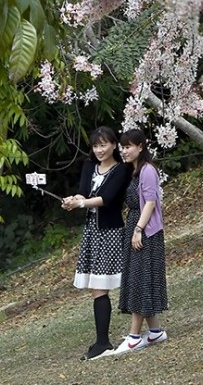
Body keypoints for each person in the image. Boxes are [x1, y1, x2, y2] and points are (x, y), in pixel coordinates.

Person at [62, 125, 132, 360]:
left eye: (104, 144)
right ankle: (102, 341)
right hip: (92, 231)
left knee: (105, 284)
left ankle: (110, 340)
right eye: (96, 145)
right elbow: (83, 192)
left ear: (114, 145)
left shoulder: (122, 170)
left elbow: (107, 199)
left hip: (111, 232)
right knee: (96, 287)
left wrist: (81, 204)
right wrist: (74, 200)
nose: (100, 149)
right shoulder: (89, 166)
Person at [114, 127, 169, 354]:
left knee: (140, 279)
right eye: (122, 147)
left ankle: (134, 336)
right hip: (135, 225)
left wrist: (138, 229)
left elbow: (150, 202)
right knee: (139, 277)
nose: (124, 151)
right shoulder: (133, 170)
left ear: (140, 147)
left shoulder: (147, 170)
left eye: (128, 147)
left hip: (145, 229)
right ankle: (155, 331)